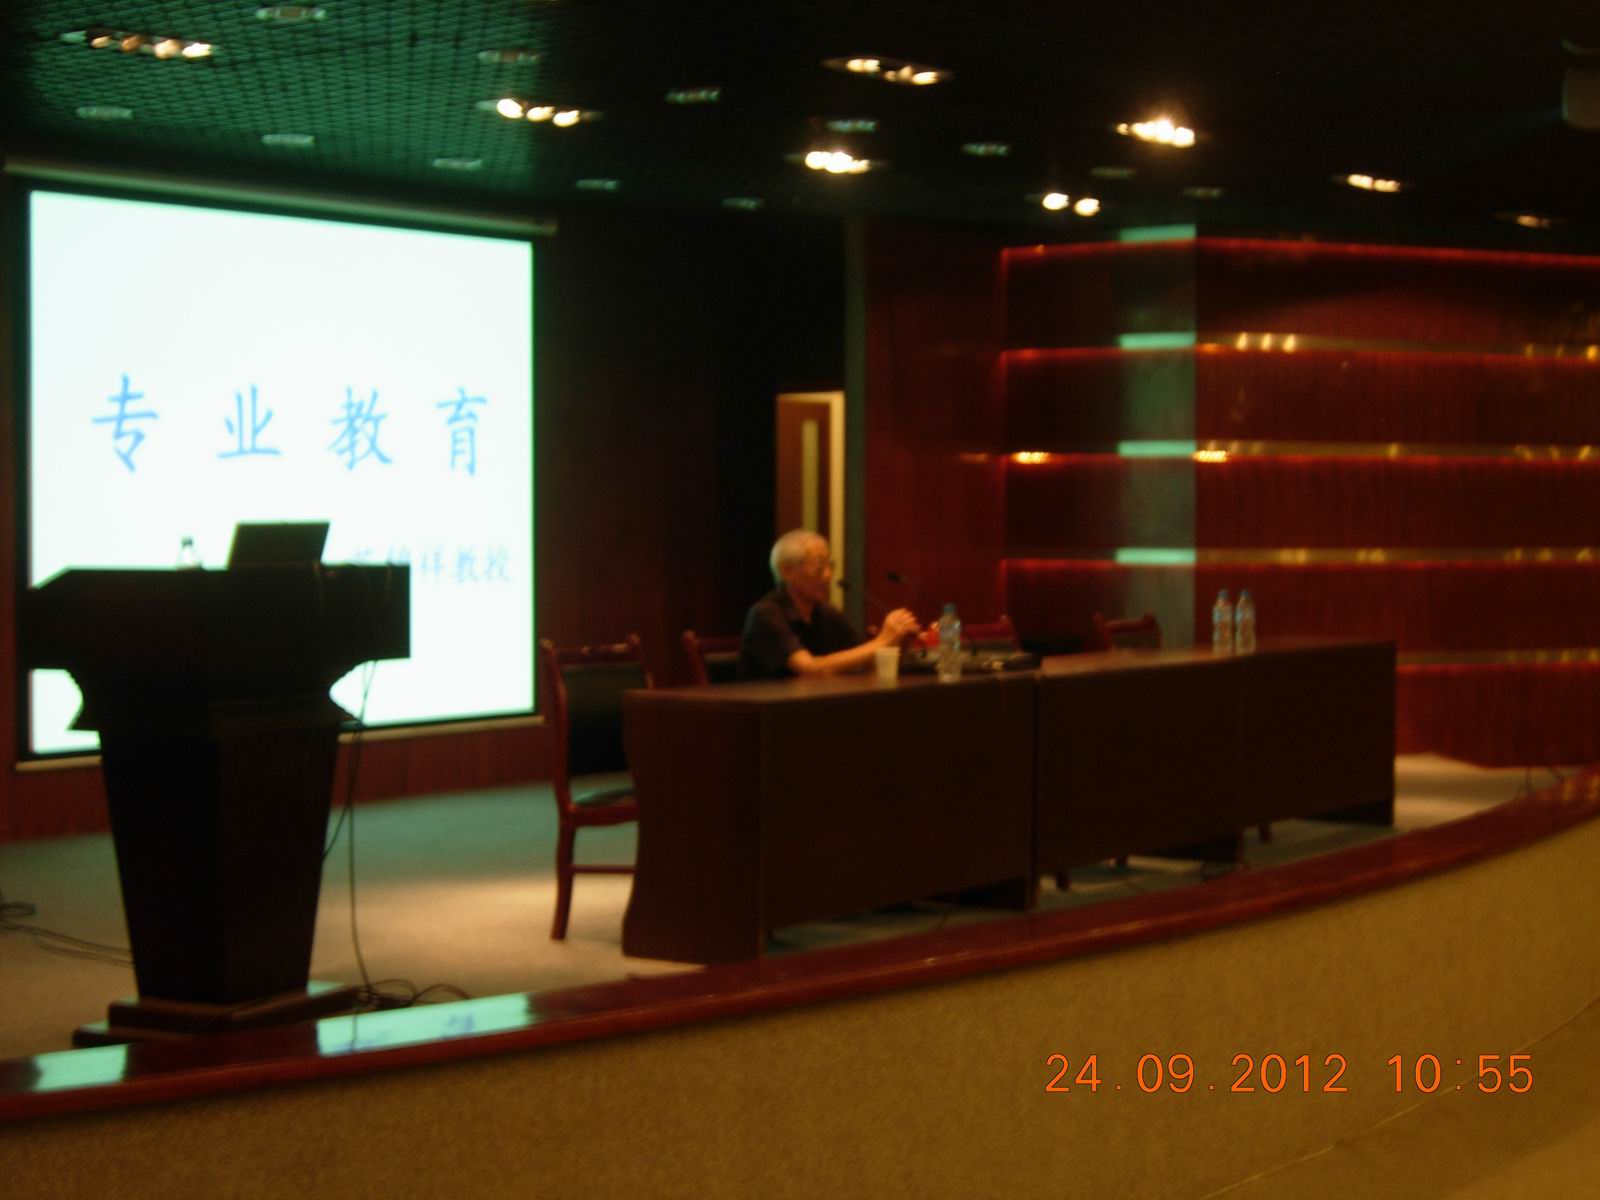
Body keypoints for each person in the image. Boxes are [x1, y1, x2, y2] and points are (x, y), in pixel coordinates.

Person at [737, 530, 919, 680]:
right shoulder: (765, 614)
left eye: (830, 566)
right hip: (770, 709)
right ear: (787, 571)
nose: (828, 576)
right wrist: (882, 641)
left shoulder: (826, 613)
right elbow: (810, 669)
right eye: (819, 566)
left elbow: (866, 664)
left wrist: (898, 642)